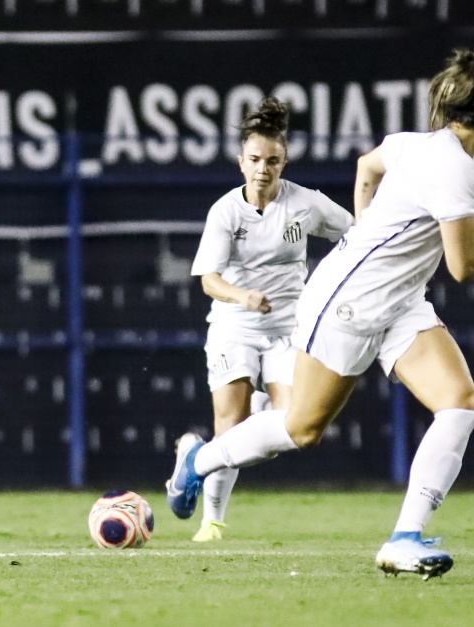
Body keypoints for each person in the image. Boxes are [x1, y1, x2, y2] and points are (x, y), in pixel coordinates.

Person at [165, 49, 474, 579]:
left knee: (460, 402)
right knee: (302, 429)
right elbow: (463, 266)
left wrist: (368, 231)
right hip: (348, 302)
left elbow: (368, 166)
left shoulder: (416, 143)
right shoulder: (455, 167)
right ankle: (198, 461)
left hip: (399, 300)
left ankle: (404, 537)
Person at [187, 97, 353, 542]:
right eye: (256, 159)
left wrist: (331, 283)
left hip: (287, 330)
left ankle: (198, 454)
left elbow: (358, 236)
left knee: (298, 428)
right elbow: (208, 279)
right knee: (231, 426)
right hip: (234, 325)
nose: (264, 168)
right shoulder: (225, 211)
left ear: (285, 161)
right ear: (241, 162)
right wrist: (243, 296)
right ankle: (212, 522)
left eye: (273, 160)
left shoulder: (306, 204)